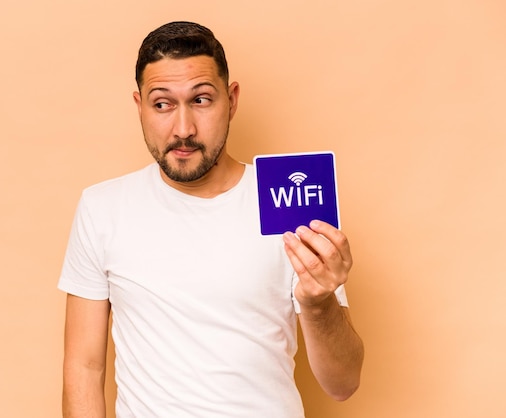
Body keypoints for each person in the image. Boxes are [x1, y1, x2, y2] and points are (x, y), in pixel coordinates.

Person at [58, 21, 364, 418]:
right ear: (140, 108)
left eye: (201, 100)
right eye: (162, 104)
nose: (183, 129)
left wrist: (320, 302)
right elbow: (84, 368)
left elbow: (343, 383)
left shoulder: (287, 201)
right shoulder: (102, 208)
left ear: (231, 100)